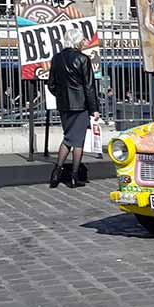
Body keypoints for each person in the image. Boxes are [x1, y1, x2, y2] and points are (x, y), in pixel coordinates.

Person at [46, 27, 100, 188]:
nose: (84, 42)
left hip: (64, 105)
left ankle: (57, 172)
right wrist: (94, 109)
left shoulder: (57, 58)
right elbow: (89, 86)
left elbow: (51, 84)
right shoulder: (83, 59)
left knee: (68, 138)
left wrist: (61, 96)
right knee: (77, 142)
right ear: (77, 41)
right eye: (82, 39)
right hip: (80, 105)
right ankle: (74, 176)